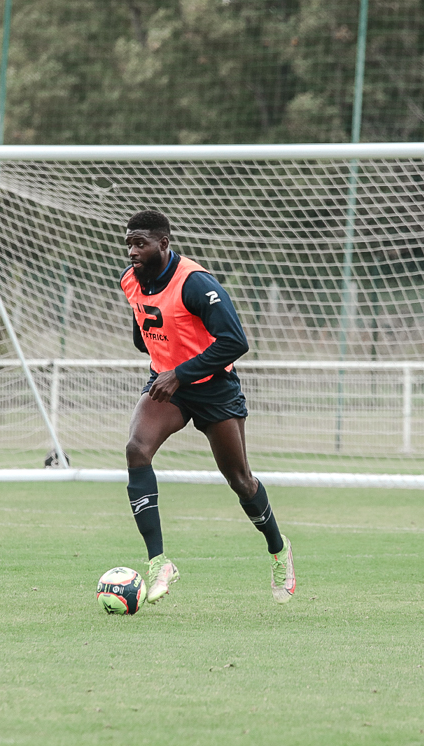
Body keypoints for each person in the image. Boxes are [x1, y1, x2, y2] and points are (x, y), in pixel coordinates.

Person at [120, 209, 295, 605]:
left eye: (140, 243)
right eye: (129, 242)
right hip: (170, 385)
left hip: (214, 387)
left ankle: (278, 548)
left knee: (240, 481)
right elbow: (141, 336)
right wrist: (168, 368)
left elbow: (235, 341)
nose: (132, 250)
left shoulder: (196, 284)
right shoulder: (131, 281)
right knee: (136, 449)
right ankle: (159, 562)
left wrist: (180, 371)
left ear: (163, 244)